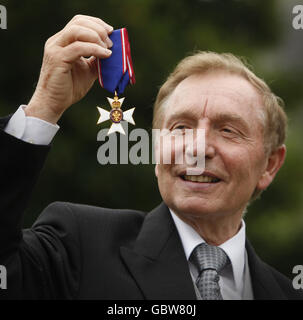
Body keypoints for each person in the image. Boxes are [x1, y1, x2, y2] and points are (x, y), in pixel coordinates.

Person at [0, 15, 302, 300]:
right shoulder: (77, 245)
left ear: (270, 164)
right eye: (181, 127)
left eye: (228, 130)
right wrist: (44, 106)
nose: (197, 148)